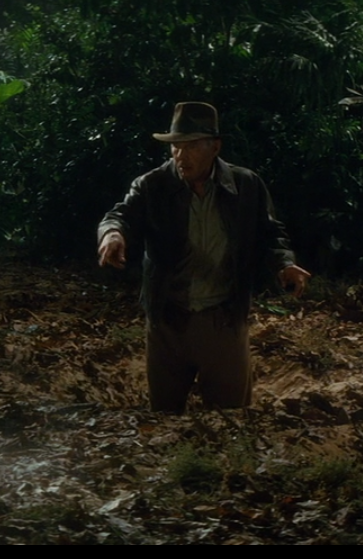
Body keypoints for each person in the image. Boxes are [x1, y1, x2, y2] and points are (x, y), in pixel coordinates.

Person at [98, 102, 311, 412]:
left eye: (191, 146)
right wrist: (112, 234)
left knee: (231, 419)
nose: (180, 155)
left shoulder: (245, 185)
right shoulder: (153, 185)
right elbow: (120, 215)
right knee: (164, 418)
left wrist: (285, 264)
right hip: (168, 321)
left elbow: (270, 233)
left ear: (215, 147)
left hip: (223, 318)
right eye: (175, 147)